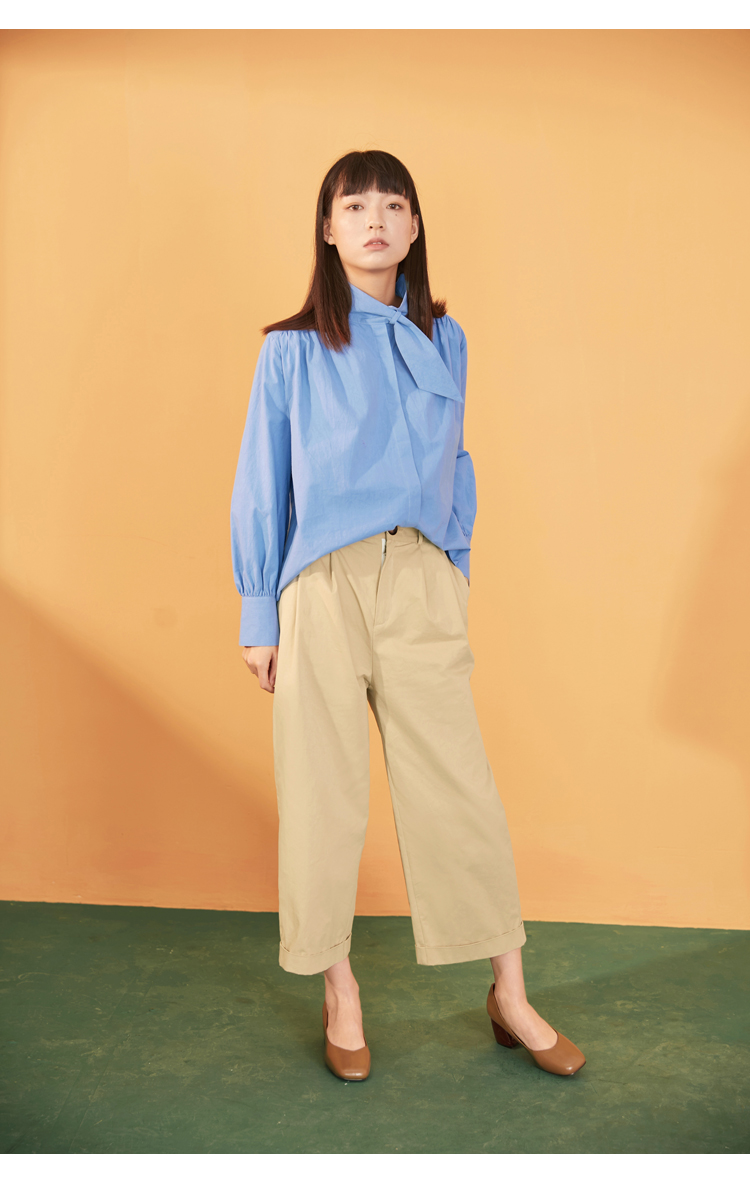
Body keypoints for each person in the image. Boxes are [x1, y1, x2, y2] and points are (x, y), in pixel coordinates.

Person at [230, 149, 585, 1081]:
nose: (376, 220)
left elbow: (455, 459)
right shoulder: (292, 349)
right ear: (328, 229)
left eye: (394, 205)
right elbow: (263, 480)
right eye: (356, 206)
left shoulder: (445, 337)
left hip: (419, 579)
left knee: (459, 787)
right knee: (321, 795)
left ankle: (510, 994)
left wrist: (452, 564)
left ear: (416, 226)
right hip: (319, 588)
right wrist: (259, 612)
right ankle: (339, 991)